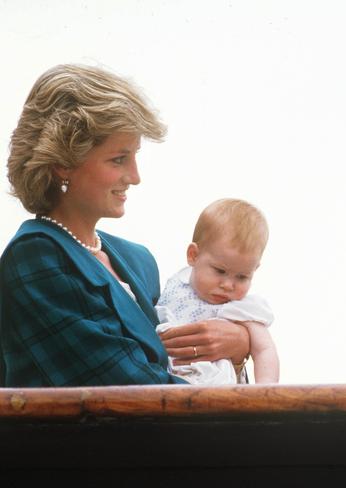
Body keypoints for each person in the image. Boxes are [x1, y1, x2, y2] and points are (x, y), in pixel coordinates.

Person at [0, 64, 250, 386]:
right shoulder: (35, 258)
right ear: (63, 163)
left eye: (135, 156)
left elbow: (180, 369)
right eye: (119, 159)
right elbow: (128, 389)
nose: (135, 176)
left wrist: (239, 343)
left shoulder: (138, 261)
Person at [156, 198, 279, 384]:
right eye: (220, 271)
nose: (229, 285)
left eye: (242, 277)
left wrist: (267, 391)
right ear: (193, 255)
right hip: (162, 380)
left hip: (215, 389)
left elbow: (265, 349)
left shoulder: (243, 307)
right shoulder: (176, 284)